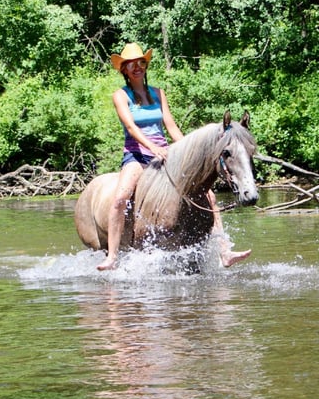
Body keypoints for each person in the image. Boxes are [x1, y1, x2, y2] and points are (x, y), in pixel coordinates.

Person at [96, 42, 251, 271]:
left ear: (145, 65)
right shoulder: (120, 96)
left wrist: (187, 151)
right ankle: (112, 256)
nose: (137, 67)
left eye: (141, 62)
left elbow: (170, 125)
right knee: (120, 199)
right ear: (124, 70)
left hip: (166, 154)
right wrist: (152, 147)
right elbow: (131, 129)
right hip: (137, 155)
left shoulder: (158, 93)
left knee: (209, 195)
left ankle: (224, 250)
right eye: (131, 64)